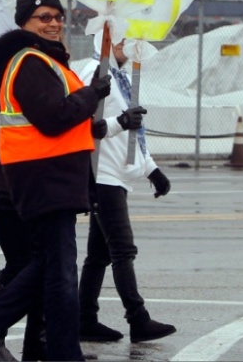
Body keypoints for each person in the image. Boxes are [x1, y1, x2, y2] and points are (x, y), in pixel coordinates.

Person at [0, 0, 110, 362]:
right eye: (44, 18)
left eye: (58, 17)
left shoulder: (46, 62)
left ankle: (19, 342)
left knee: (49, 270)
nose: (54, 23)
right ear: (24, 23)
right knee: (53, 273)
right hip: (42, 180)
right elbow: (53, 117)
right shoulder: (28, 62)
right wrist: (91, 96)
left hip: (49, 178)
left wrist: (91, 121)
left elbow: (58, 119)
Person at [75, 39, 176, 344]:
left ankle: (85, 319)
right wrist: (120, 121)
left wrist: (151, 170)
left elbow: (131, 134)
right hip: (102, 176)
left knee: (99, 255)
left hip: (117, 176)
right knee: (122, 250)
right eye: (119, 39)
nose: (128, 44)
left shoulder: (122, 78)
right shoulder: (95, 71)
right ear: (104, 41)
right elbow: (83, 125)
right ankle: (138, 319)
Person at [0, 82, 43, 361]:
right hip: (7, 189)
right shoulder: (13, 76)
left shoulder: (47, 71)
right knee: (25, 265)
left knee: (41, 266)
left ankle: (37, 341)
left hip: (32, 187)